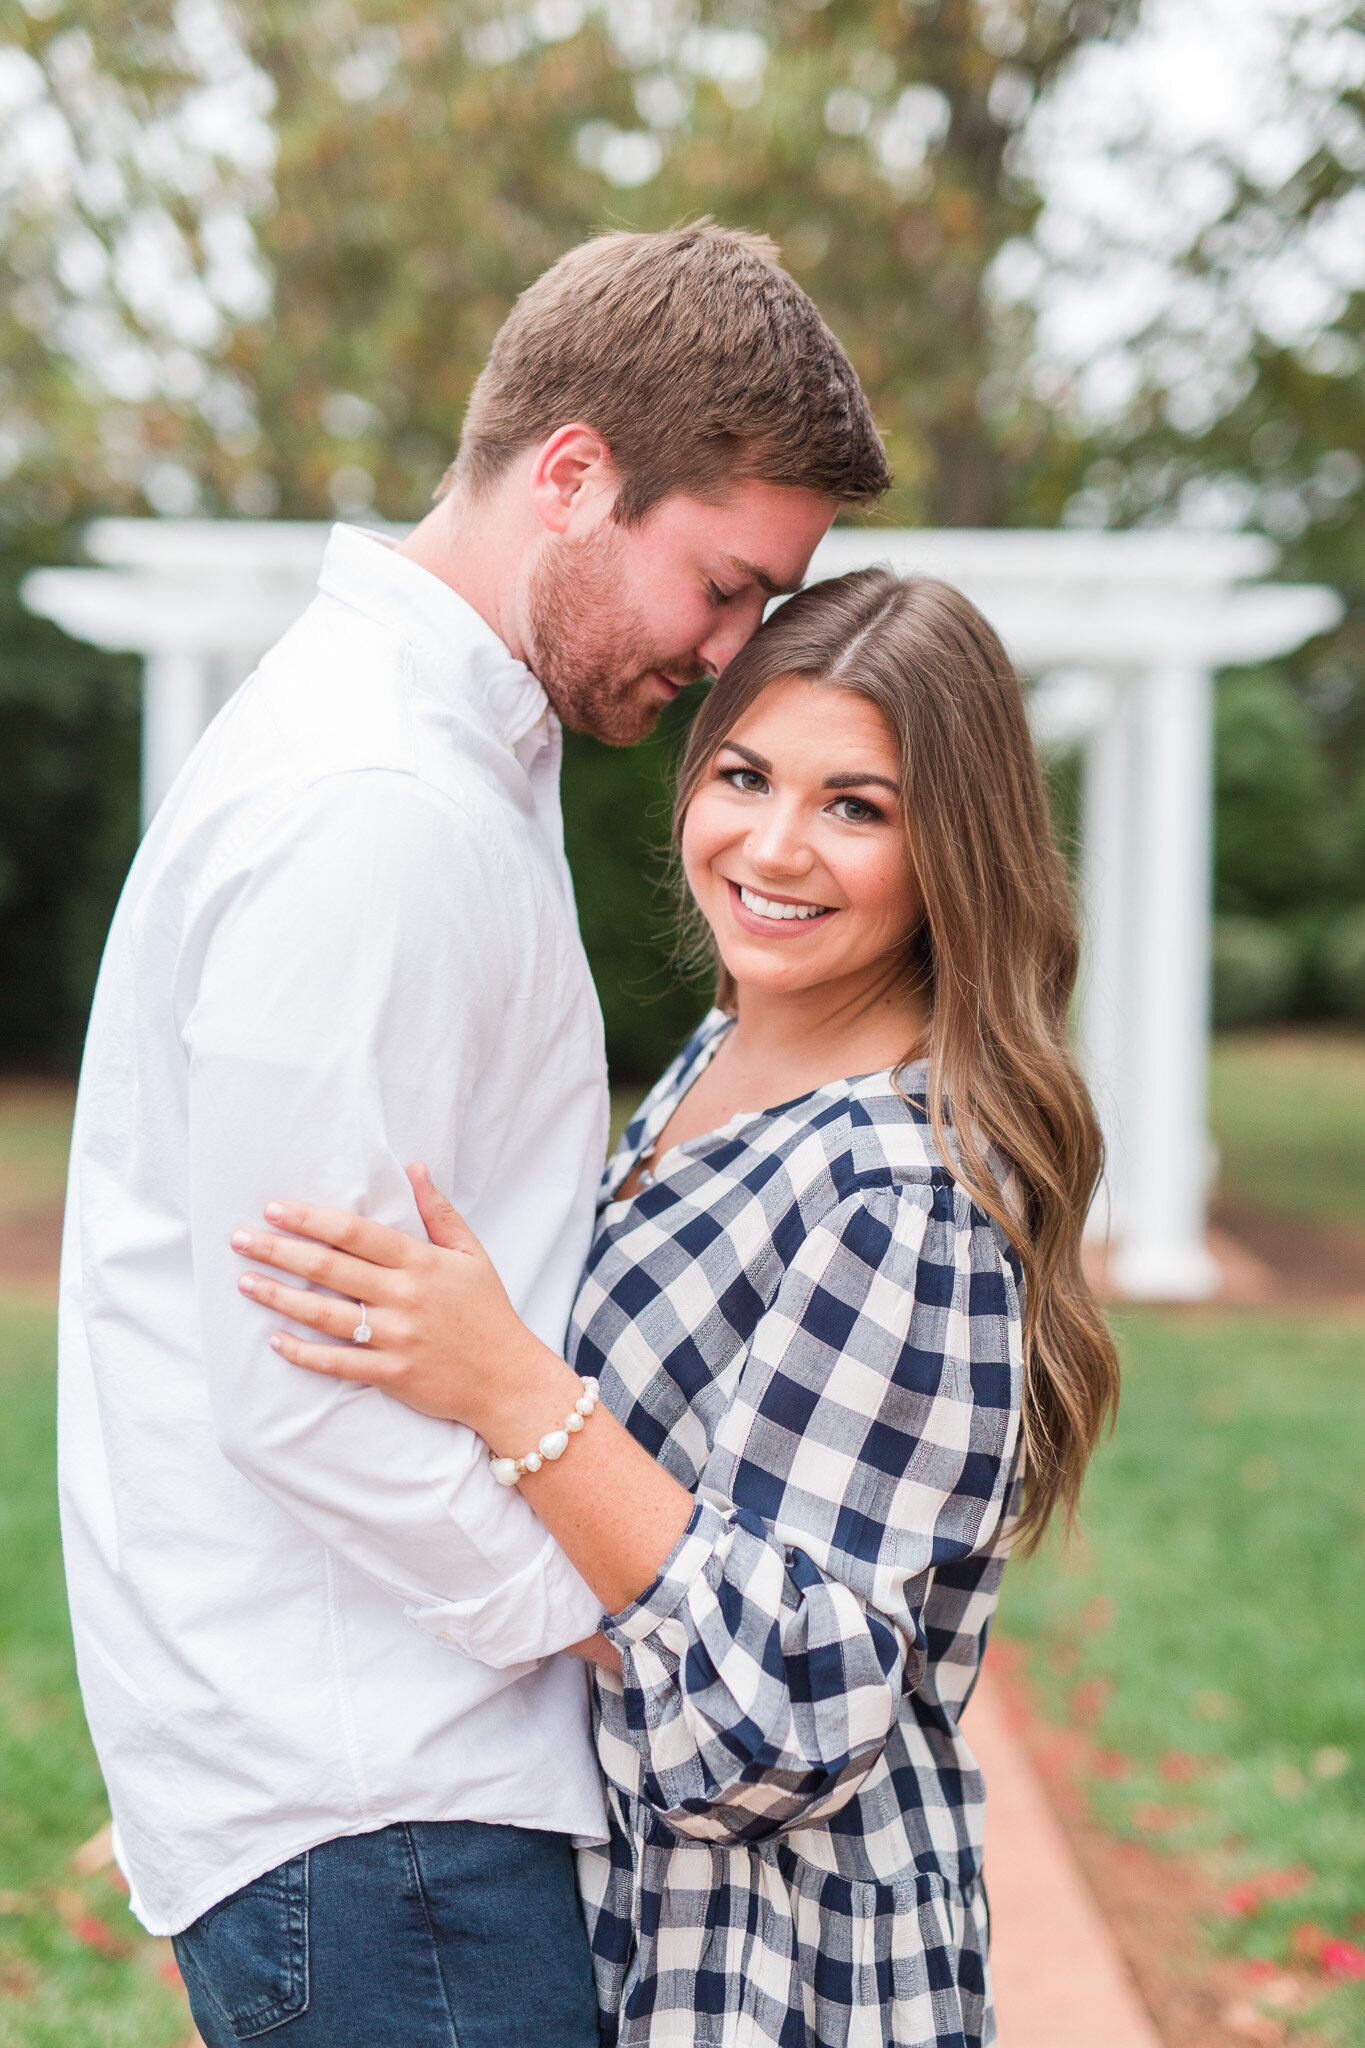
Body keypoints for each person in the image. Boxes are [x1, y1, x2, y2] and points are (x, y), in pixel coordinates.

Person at [58, 224, 890, 2048]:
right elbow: (303, 1380)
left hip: (386, 1786)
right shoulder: (380, 806)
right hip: (379, 1802)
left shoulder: (437, 763)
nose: (734, 652)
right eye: (724, 586)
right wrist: (628, 1619)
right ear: (574, 475)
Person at [230, 567, 1122, 2048]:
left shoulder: (897, 1189)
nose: (771, 847)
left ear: (952, 849)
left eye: (858, 806)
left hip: (783, 1964)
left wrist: (510, 1389)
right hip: (622, 1894)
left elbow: (793, 1709)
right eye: (744, 775)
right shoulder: (723, 1051)